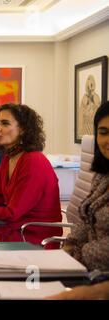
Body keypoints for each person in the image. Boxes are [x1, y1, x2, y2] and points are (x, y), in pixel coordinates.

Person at [62, 101, 109, 272]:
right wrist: (68, 246)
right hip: (85, 269)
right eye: (103, 132)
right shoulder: (102, 175)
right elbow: (85, 217)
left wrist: (77, 253)